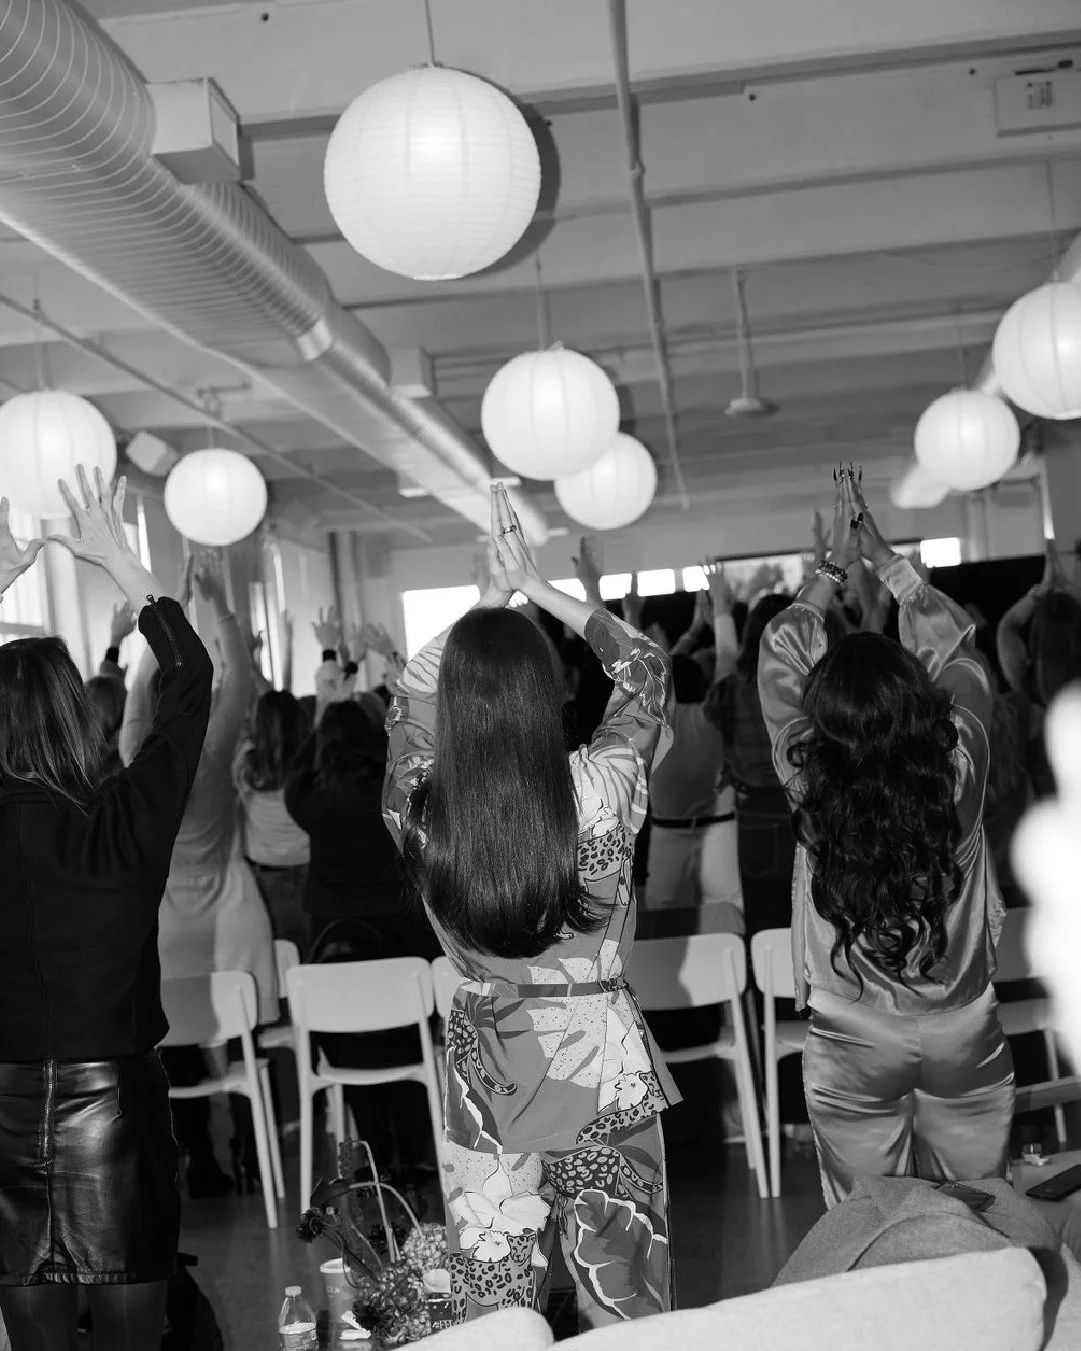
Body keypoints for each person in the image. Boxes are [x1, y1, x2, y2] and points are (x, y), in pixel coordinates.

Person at [384, 484, 677, 1330]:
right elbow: (645, 669)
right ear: (548, 693)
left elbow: (409, 699)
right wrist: (538, 587)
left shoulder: (422, 808)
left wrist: (487, 597)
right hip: (604, 1067)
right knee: (628, 1308)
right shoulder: (603, 784)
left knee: (497, 1311)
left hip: (489, 1071)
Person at [759, 466, 1014, 1208]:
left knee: (866, 1222)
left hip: (851, 1038)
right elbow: (960, 651)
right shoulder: (957, 763)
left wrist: (831, 565)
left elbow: (779, 649)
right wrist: (887, 562)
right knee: (984, 1212)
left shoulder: (809, 775)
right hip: (961, 1025)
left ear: (821, 719)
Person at [0, 468, 212, 1351]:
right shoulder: (125, 817)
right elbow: (193, 678)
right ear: (75, 718)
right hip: (118, 1116)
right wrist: (126, 566)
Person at [122, 560, 276, 1196]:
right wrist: (216, 604)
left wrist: (161, 611)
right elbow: (238, 677)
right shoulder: (211, 755)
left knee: (176, 1051)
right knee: (246, 1047)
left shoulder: (138, 758)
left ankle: (200, 1164)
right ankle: (250, 1146)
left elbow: (137, 686)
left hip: (169, 928)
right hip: (235, 914)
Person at [645, 564, 743, 934]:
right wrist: (720, 608)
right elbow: (728, 661)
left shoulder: (657, 723)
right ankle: (740, 991)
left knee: (662, 928)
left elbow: (654, 673)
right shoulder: (713, 716)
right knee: (730, 924)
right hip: (719, 833)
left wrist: (692, 630)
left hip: (669, 836)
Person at [709, 590, 795, 934]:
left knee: (761, 925)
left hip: (749, 817)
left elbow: (716, 722)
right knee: (806, 923)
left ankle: (764, 988)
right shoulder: (806, 689)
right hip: (800, 814)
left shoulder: (730, 690)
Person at [996, 540, 1081, 799]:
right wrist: (1069, 590)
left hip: (1052, 825)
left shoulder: (1028, 689)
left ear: (1034, 640)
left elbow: (1007, 627)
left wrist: (1041, 592)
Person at [234, 689, 312, 956]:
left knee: (278, 958)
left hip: (266, 875)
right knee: (313, 959)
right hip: (310, 869)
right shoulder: (311, 760)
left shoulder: (246, 764)